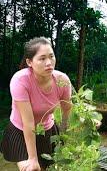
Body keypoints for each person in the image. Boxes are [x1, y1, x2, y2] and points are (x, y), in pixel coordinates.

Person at [0, 37, 72, 170]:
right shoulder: (20, 80)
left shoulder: (62, 80)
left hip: (48, 130)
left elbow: (67, 110)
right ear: (29, 62)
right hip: (20, 131)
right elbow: (28, 122)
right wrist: (32, 158)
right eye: (42, 58)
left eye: (51, 56)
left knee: (50, 167)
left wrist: (63, 137)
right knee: (30, 168)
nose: (49, 62)